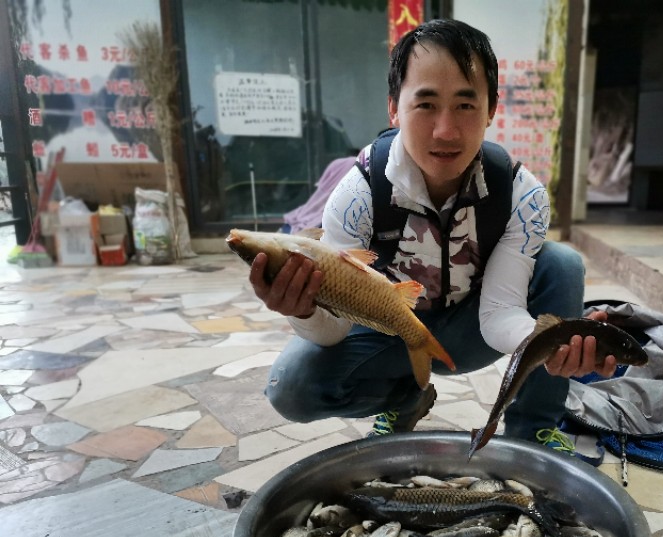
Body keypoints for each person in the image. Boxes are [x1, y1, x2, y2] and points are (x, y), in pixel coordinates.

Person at [249, 18, 617, 452]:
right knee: (290, 386)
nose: (446, 131)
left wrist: (552, 344)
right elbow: (335, 329)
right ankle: (406, 398)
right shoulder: (357, 195)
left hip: (470, 331)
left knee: (561, 263)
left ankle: (533, 431)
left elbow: (500, 315)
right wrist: (304, 311)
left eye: (466, 105)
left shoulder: (522, 195)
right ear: (394, 108)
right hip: (388, 330)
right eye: (425, 105)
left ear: (491, 108)